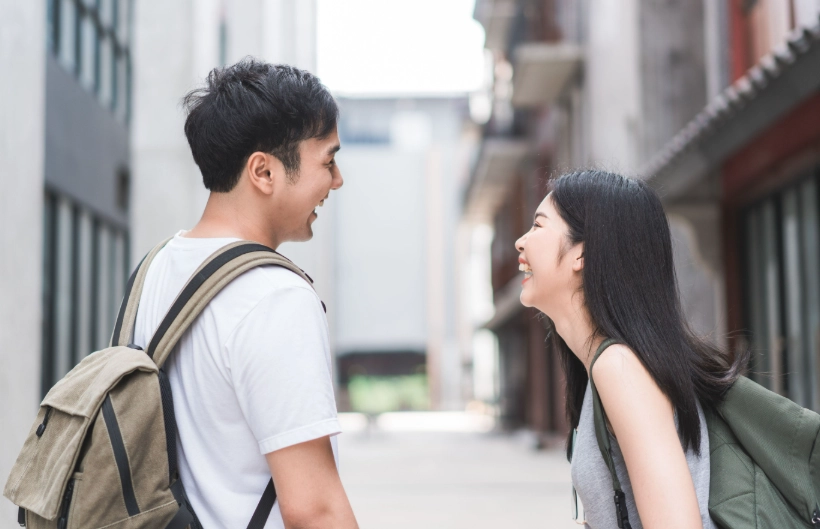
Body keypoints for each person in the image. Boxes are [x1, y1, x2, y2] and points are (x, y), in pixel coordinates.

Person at [132, 59, 358, 528]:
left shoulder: (154, 270)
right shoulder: (274, 295)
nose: (337, 181)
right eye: (328, 161)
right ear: (264, 172)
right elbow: (313, 509)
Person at [515, 170, 746, 529]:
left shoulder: (620, 367)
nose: (520, 242)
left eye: (538, 226)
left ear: (582, 253)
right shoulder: (608, 366)